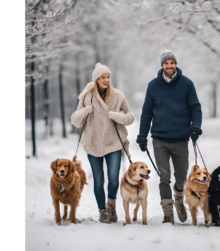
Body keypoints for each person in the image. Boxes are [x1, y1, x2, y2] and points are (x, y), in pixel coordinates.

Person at [136, 50, 202, 225]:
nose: (169, 66)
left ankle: (178, 198)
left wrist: (195, 127)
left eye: (172, 63)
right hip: (160, 139)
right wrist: (142, 135)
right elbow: (146, 113)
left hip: (181, 138)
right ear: (162, 65)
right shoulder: (153, 86)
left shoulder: (187, 84)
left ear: (176, 65)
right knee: (164, 176)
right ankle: (168, 215)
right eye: (166, 63)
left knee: (181, 178)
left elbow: (195, 107)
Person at [71, 63, 134, 224]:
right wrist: (85, 111)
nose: (106, 80)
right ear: (96, 79)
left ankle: (111, 204)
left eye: (108, 77)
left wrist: (116, 116)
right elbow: (75, 121)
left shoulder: (118, 96)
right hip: (93, 144)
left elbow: (130, 117)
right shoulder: (86, 96)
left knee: (113, 179)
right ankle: (102, 211)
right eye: (103, 77)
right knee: (99, 181)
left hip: (113, 143)